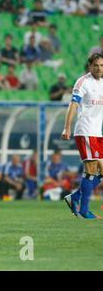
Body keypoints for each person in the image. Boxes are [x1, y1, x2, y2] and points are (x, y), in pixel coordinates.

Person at [62, 53, 103, 219]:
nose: (99, 69)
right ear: (90, 66)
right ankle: (84, 210)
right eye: (96, 66)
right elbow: (73, 104)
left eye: (101, 66)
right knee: (91, 170)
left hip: (97, 133)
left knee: (95, 171)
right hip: (85, 131)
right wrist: (67, 127)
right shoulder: (83, 82)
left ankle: (76, 198)